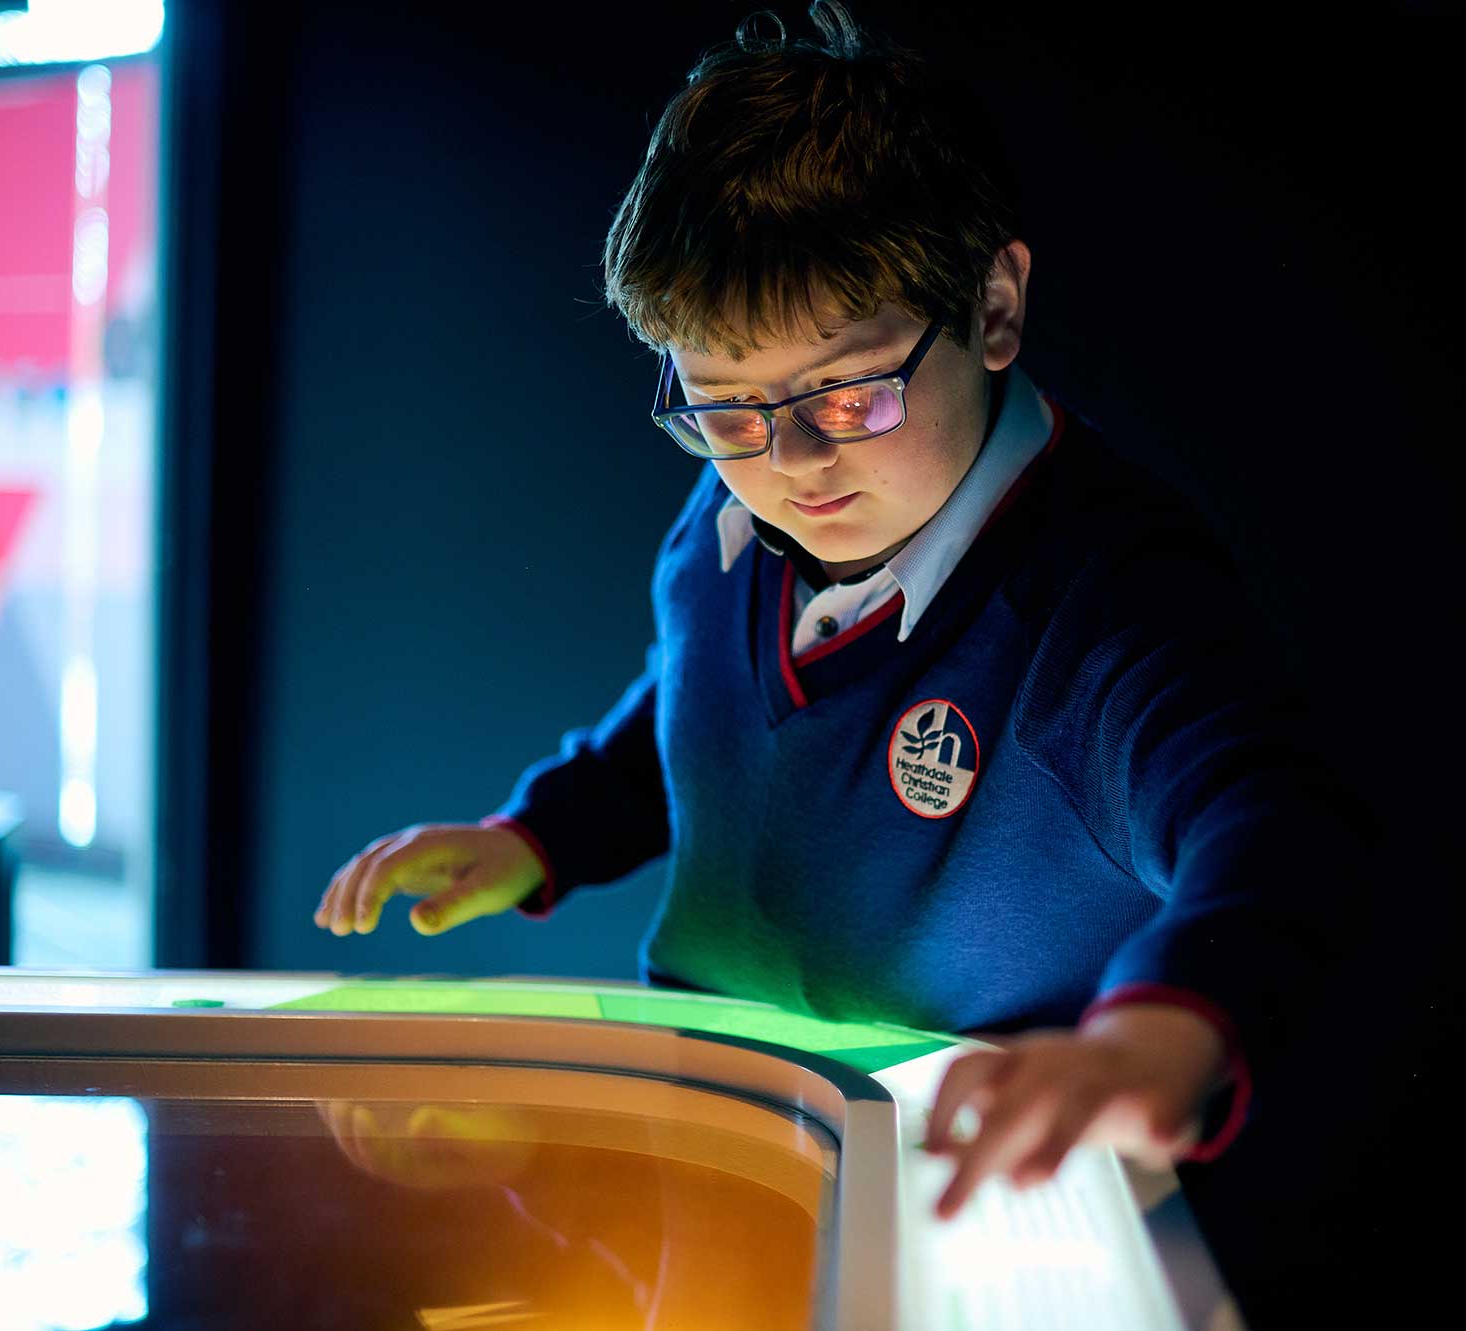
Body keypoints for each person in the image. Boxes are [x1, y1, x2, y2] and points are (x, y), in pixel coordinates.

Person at [312, 0, 1372, 1224]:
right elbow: (695, 711)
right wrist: (540, 835)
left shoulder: (1103, 601)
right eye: (723, 406)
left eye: (847, 394)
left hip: (969, 1179)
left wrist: (1158, 1033)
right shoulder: (728, 515)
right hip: (710, 1134)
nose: (789, 461)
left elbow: (1273, 821)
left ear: (991, 309)